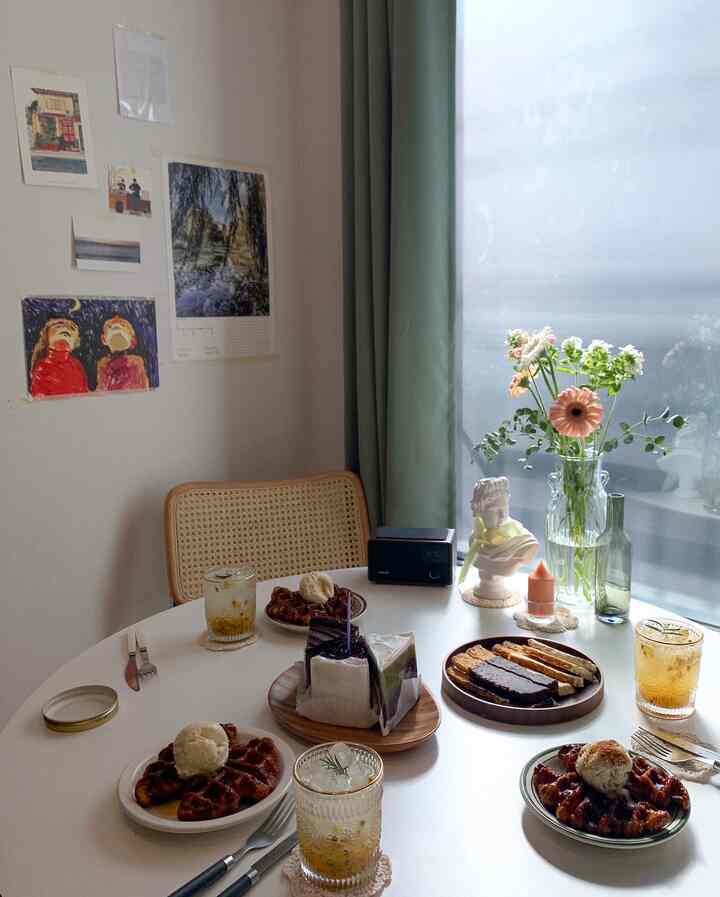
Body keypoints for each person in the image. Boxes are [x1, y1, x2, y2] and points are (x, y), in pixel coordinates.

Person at [29, 318, 89, 397]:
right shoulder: (42, 367)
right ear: (46, 339)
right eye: (58, 327)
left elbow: (84, 391)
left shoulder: (76, 365)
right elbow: (38, 395)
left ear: (75, 342)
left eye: (70, 330)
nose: (65, 334)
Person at [96, 316, 149, 391]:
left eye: (123, 327)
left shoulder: (136, 363)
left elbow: (144, 388)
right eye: (111, 328)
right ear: (103, 339)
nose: (117, 327)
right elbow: (102, 389)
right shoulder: (103, 365)